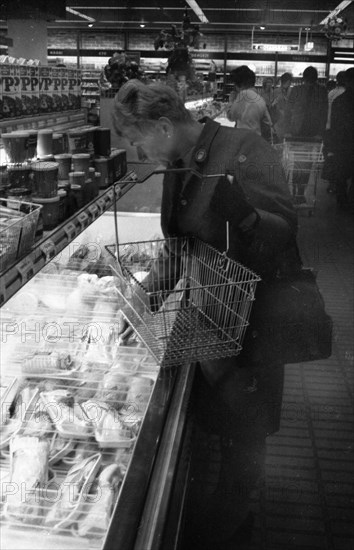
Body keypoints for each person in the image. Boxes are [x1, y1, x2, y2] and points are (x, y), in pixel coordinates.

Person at [113, 79, 303, 550]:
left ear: (162, 125)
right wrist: (143, 301)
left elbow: (283, 230)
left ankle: (235, 522)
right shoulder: (178, 165)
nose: (138, 149)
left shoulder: (245, 150)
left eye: (139, 139)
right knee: (217, 423)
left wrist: (246, 217)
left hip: (254, 325)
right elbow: (179, 245)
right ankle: (217, 508)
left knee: (246, 432)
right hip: (208, 321)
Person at [329, 67, 354, 211]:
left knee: (341, 174)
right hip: (348, 142)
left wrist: (332, 144)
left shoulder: (339, 101)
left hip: (342, 143)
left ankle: (342, 201)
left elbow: (334, 124)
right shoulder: (340, 100)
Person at [226, 65, 273, 139]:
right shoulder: (260, 98)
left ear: (241, 84)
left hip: (245, 140)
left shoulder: (243, 95)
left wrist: (231, 100)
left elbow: (231, 116)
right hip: (257, 139)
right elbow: (268, 122)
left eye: (235, 84)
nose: (235, 87)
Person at [284, 65, 328, 139]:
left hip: (296, 129)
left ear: (303, 78)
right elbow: (324, 113)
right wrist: (320, 133)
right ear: (316, 78)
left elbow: (288, 111)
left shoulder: (296, 90)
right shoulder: (322, 91)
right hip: (315, 130)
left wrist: (287, 131)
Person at [323, 71, 346, 192]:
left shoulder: (331, 93)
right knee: (340, 157)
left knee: (330, 155)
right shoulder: (345, 94)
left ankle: (331, 182)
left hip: (328, 128)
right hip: (340, 130)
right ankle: (338, 184)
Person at [271, 72, 293, 141]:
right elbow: (272, 106)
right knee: (280, 142)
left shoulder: (292, 91)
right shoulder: (275, 92)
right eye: (288, 82)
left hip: (289, 122)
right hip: (279, 122)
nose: (289, 84)